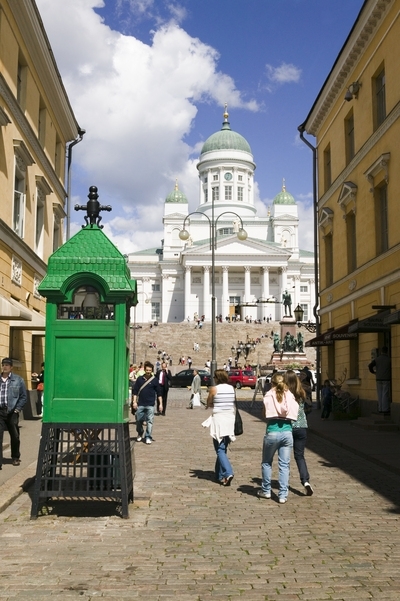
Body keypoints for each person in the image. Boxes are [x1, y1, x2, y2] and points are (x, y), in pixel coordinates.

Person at [258, 372, 298, 503]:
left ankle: (266, 490)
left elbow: (265, 414)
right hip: (287, 432)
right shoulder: (290, 395)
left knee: (267, 462)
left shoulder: (269, 395)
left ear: (272, 383)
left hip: (272, 431)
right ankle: (282, 495)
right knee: (284, 465)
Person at [203, 369, 235, 486]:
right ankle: (219, 474)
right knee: (223, 447)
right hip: (230, 419)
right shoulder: (231, 388)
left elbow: (209, 401)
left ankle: (228, 472)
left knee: (219, 449)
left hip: (219, 420)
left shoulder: (214, 389)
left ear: (217, 378)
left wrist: (210, 404)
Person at [284, 370, 313, 496]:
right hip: (301, 426)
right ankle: (305, 481)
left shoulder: (285, 393)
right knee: (300, 456)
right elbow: (308, 406)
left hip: (288, 426)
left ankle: (284, 482)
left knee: (284, 457)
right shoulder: (301, 391)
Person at [0, 358, 27, 468]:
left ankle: (15, 457)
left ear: (11, 367)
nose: (5, 367)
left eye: (7, 365)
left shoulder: (18, 380)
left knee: (15, 436)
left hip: (12, 412)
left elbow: (23, 397)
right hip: (0, 412)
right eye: (3, 365)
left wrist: (17, 409)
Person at [131, 361, 163, 444]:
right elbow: (135, 391)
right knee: (138, 420)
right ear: (144, 370)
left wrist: (161, 404)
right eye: (147, 370)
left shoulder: (155, 380)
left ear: (152, 371)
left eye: (150, 370)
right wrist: (134, 402)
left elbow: (159, 393)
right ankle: (140, 433)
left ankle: (148, 436)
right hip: (140, 403)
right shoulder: (139, 379)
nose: (148, 372)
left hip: (150, 404)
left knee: (150, 421)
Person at [368, 346, 391, 414]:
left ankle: (380, 408)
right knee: (385, 394)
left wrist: (374, 372)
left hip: (378, 378)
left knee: (380, 393)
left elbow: (370, 366)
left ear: (381, 351)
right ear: (387, 351)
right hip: (386, 378)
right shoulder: (389, 359)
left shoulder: (377, 359)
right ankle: (385, 409)